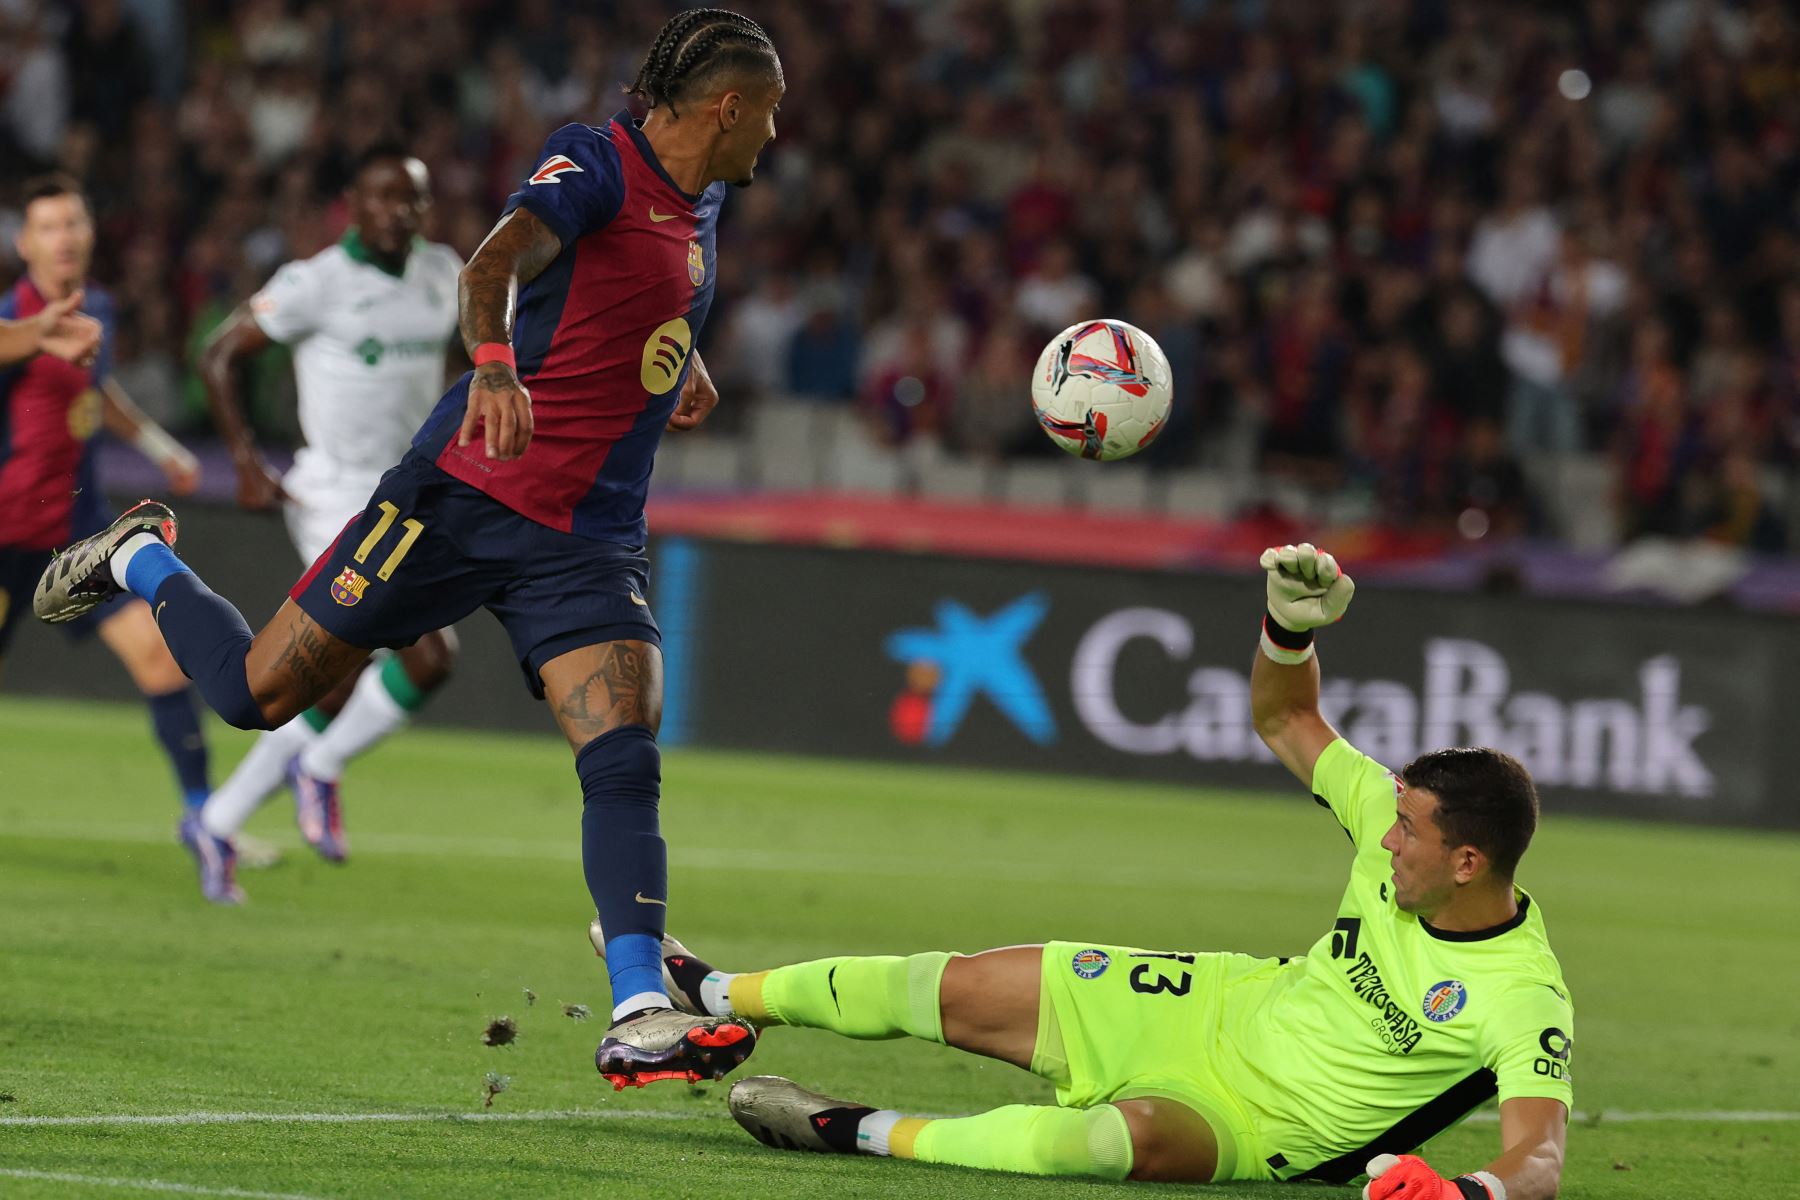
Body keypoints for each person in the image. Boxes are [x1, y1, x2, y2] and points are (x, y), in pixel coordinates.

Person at [33, 7, 782, 1089]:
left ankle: (635, 1007)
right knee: (256, 696)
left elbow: (630, 299)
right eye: (769, 111)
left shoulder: (704, 195)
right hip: (461, 494)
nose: (776, 133)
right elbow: (492, 269)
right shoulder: (598, 161)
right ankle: (144, 555)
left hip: (585, 536)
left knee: (623, 752)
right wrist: (491, 365)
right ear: (726, 106)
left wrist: (676, 359)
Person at [635, 544, 1572, 1197]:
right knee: (961, 984)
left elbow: (1541, 1157)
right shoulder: (1389, 820)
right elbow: (1289, 721)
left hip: (1264, 1131)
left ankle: (847, 1127)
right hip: (1212, 1004)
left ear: (1468, 860)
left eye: (1407, 832)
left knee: (1112, 1144)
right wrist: (1289, 631)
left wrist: (1467, 1192)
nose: (1384, 838)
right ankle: (716, 993)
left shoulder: (1524, 995)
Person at [191, 144, 463, 892]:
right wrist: (246, 461)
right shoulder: (316, 283)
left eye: (411, 199)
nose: (396, 213)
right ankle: (318, 766)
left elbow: (473, 357)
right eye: (381, 198)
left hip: (408, 495)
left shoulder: (444, 274)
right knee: (427, 655)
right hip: (337, 497)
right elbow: (219, 354)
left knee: (339, 678)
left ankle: (219, 822)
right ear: (352, 202)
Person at [0, 174, 213, 884]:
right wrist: (38, 337)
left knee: (161, 660)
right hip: (5, 536)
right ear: (26, 243)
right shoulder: (14, 318)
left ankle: (206, 820)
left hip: (75, 536)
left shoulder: (97, 310)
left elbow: (100, 394)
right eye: (50, 226)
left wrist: (160, 449)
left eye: (75, 222)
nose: (65, 236)